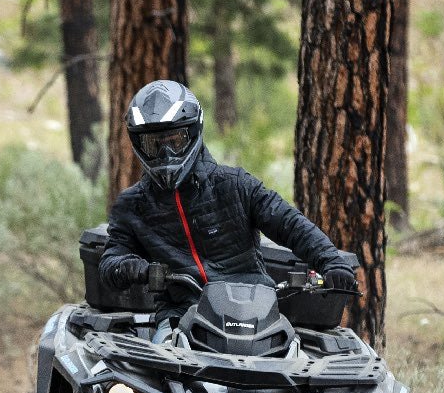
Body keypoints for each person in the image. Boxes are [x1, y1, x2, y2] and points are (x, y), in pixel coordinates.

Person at [100, 80, 356, 333]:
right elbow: (110, 261)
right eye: (154, 145)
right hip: (180, 317)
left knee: (291, 356)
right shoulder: (132, 206)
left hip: (255, 314)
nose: (166, 154)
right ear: (139, 145)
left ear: (193, 132)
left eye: (175, 141)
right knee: (157, 364)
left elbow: (290, 224)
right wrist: (129, 266)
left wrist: (331, 262)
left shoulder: (236, 185)